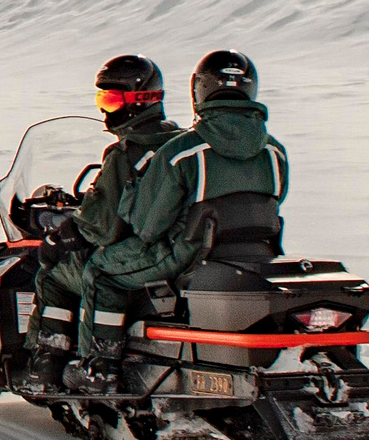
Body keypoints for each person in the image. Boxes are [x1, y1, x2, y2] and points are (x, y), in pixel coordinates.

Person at [66, 49, 288, 395]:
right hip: (257, 254)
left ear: (198, 91)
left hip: (188, 253)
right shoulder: (275, 151)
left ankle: (98, 367)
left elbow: (148, 225)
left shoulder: (182, 151)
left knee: (100, 271)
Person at [25, 55, 183, 393]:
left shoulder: (127, 152)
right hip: (178, 247)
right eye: (101, 99)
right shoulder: (181, 143)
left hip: (143, 253)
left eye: (109, 99)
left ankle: (55, 364)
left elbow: (101, 227)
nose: (103, 110)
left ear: (138, 101)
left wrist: (60, 237)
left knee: (55, 274)